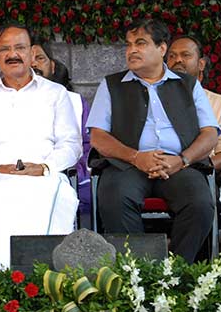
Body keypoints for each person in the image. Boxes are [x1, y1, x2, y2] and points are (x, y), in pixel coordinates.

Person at [87, 19, 218, 263]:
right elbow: (98, 137)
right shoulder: (112, 85)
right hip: (127, 165)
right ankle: (139, 274)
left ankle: (176, 271)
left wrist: (182, 159)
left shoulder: (188, 85)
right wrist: (137, 157)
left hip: (179, 165)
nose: (132, 50)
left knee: (200, 203)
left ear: (161, 49)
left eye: (140, 43)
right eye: (128, 45)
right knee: (115, 199)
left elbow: (210, 132)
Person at [0, 23, 81, 269]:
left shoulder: (56, 93)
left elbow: (71, 144)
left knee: (58, 194)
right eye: (5, 49)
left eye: (20, 48)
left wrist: (45, 167)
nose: (13, 54)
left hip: (45, 177)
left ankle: (46, 281)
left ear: (32, 52)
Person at [31, 40, 92, 215]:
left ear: (53, 66)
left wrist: (74, 172)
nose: (34, 64)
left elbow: (88, 147)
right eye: (30, 59)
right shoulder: (4, 100)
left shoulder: (75, 101)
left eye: (40, 58)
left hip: (69, 174)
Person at [166, 35, 221, 170]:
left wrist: (192, 168)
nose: (177, 60)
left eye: (185, 55)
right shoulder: (154, 98)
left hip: (198, 173)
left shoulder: (218, 103)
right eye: (172, 56)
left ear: (201, 64)